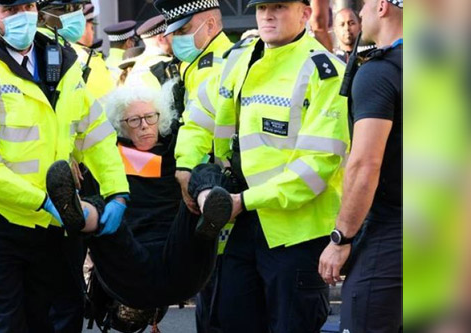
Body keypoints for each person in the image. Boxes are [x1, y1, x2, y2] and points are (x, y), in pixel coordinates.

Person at [0, 0, 129, 331]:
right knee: (7, 324)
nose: (22, 16)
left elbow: (95, 135)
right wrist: (42, 202)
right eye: (10, 10)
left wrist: (117, 192)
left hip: (55, 225)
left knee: (63, 319)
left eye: (27, 5)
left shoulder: (64, 61)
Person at [202, 0, 349, 331]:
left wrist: (245, 201)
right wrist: (188, 169)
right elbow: (201, 117)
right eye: (261, 7)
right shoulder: (240, 59)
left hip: (294, 233)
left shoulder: (325, 72)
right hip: (239, 224)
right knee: (230, 320)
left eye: (279, 6)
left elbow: (317, 166)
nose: (268, 15)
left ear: (305, 13)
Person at [46, 83, 233, 309]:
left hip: (183, 260)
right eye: (134, 120)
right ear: (121, 127)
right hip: (130, 268)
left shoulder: (177, 148)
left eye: (150, 118)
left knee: (203, 172)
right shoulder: (110, 158)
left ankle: (209, 205)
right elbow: (83, 137)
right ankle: (82, 217)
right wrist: (71, 156)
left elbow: (201, 134)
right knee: (109, 202)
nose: (144, 126)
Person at [318, 0, 403, 331]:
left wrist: (340, 239)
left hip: (391, 233)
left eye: (364, 4)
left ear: (381, 6)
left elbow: (365, 165)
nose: (361, 13)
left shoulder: (379, 72)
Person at [152, 1, 234, 331]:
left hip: (222, 190)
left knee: (223, 303)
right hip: (201, 192)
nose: (177, 40)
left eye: (185, 31)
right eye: (174, 33)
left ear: (211, 25)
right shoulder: (195, 65)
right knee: (208, 297)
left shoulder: (227, 63)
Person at [37, 0, 116, 101]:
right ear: (41, 17)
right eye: (67, 9)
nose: (76, 15)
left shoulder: (74, 50)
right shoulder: (35, 49)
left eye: (79, 7)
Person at [124, 14, 173, 90]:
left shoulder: (134, 66)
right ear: (161, 38)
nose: (176, 38)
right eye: (173, 34)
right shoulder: (166, 64)